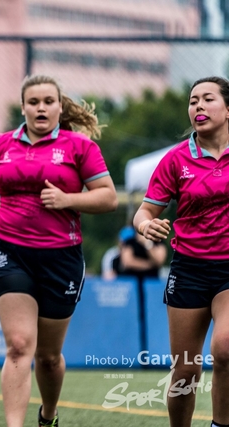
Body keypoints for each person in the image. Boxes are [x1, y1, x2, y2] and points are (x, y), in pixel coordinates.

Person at [0, 75, 118, 427]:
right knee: (18, 345)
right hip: (11, 251)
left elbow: (108, 197)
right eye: (33, 102)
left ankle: (48, 414)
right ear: (23, 106)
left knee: (48, 356)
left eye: (48, 101)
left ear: (59, 106)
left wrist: (67, 199)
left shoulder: (79, 147)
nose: (41, 108)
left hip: (62, 258)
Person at [133, 76, 229, 427]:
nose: (198, 106)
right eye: (193, 101)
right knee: (186, 369)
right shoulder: (175, 160)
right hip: (189, 269)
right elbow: (144, 211)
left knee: (226, 348)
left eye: (208, 99)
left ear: (228, 108)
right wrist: (145, 226)